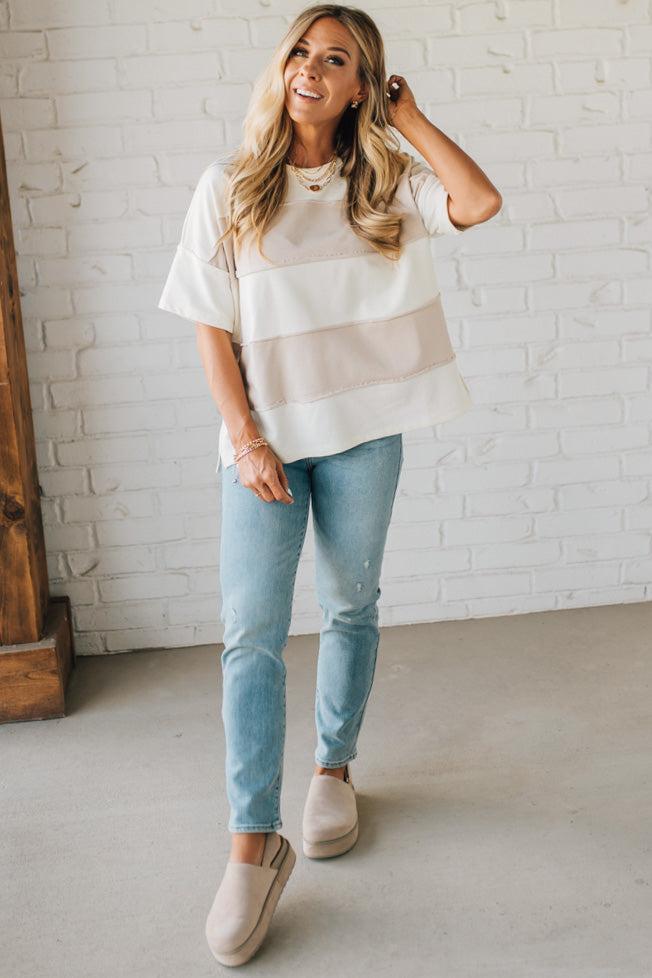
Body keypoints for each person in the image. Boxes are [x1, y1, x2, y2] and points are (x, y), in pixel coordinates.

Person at [158, 2, 501, 966]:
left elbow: (477, 204)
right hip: (265, 444)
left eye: (337, 59)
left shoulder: (383, 182)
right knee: (250, 635)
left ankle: (334, 770)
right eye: (302, 51)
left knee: (350, 606)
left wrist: (409, 121)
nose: (312, 67)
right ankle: (251, 845)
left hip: (361, 439)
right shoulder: (228, 184)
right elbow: (207, 323)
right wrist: (245, 435)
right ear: (284, 67)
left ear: (361, 84)